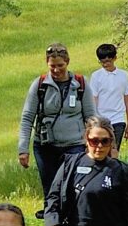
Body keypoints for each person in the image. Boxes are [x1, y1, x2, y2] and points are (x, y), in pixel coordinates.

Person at [17, 45, 92, 198]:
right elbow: (27, 118)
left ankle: (73, 219)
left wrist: (94, 144)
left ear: (68, 62)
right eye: (52, 67)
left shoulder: (80, 84)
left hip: (75, 146)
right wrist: (23, 149)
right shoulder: (39, 85)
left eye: (60, 66)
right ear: (47, 63)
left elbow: (91, 117)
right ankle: (52, 219)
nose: (56, 70)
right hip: (46, 147)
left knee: (73, 186)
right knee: (51, 188)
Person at [84, 42, 128, 152]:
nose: (106, 64)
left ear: (114, 58)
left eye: (108, 61)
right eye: (103, 62)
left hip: (118, 119)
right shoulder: (96, 76)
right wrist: (92, 121)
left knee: (114, 150)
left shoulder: (123, 75)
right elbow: (94, 99)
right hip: (101, 120)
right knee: (100, 149)